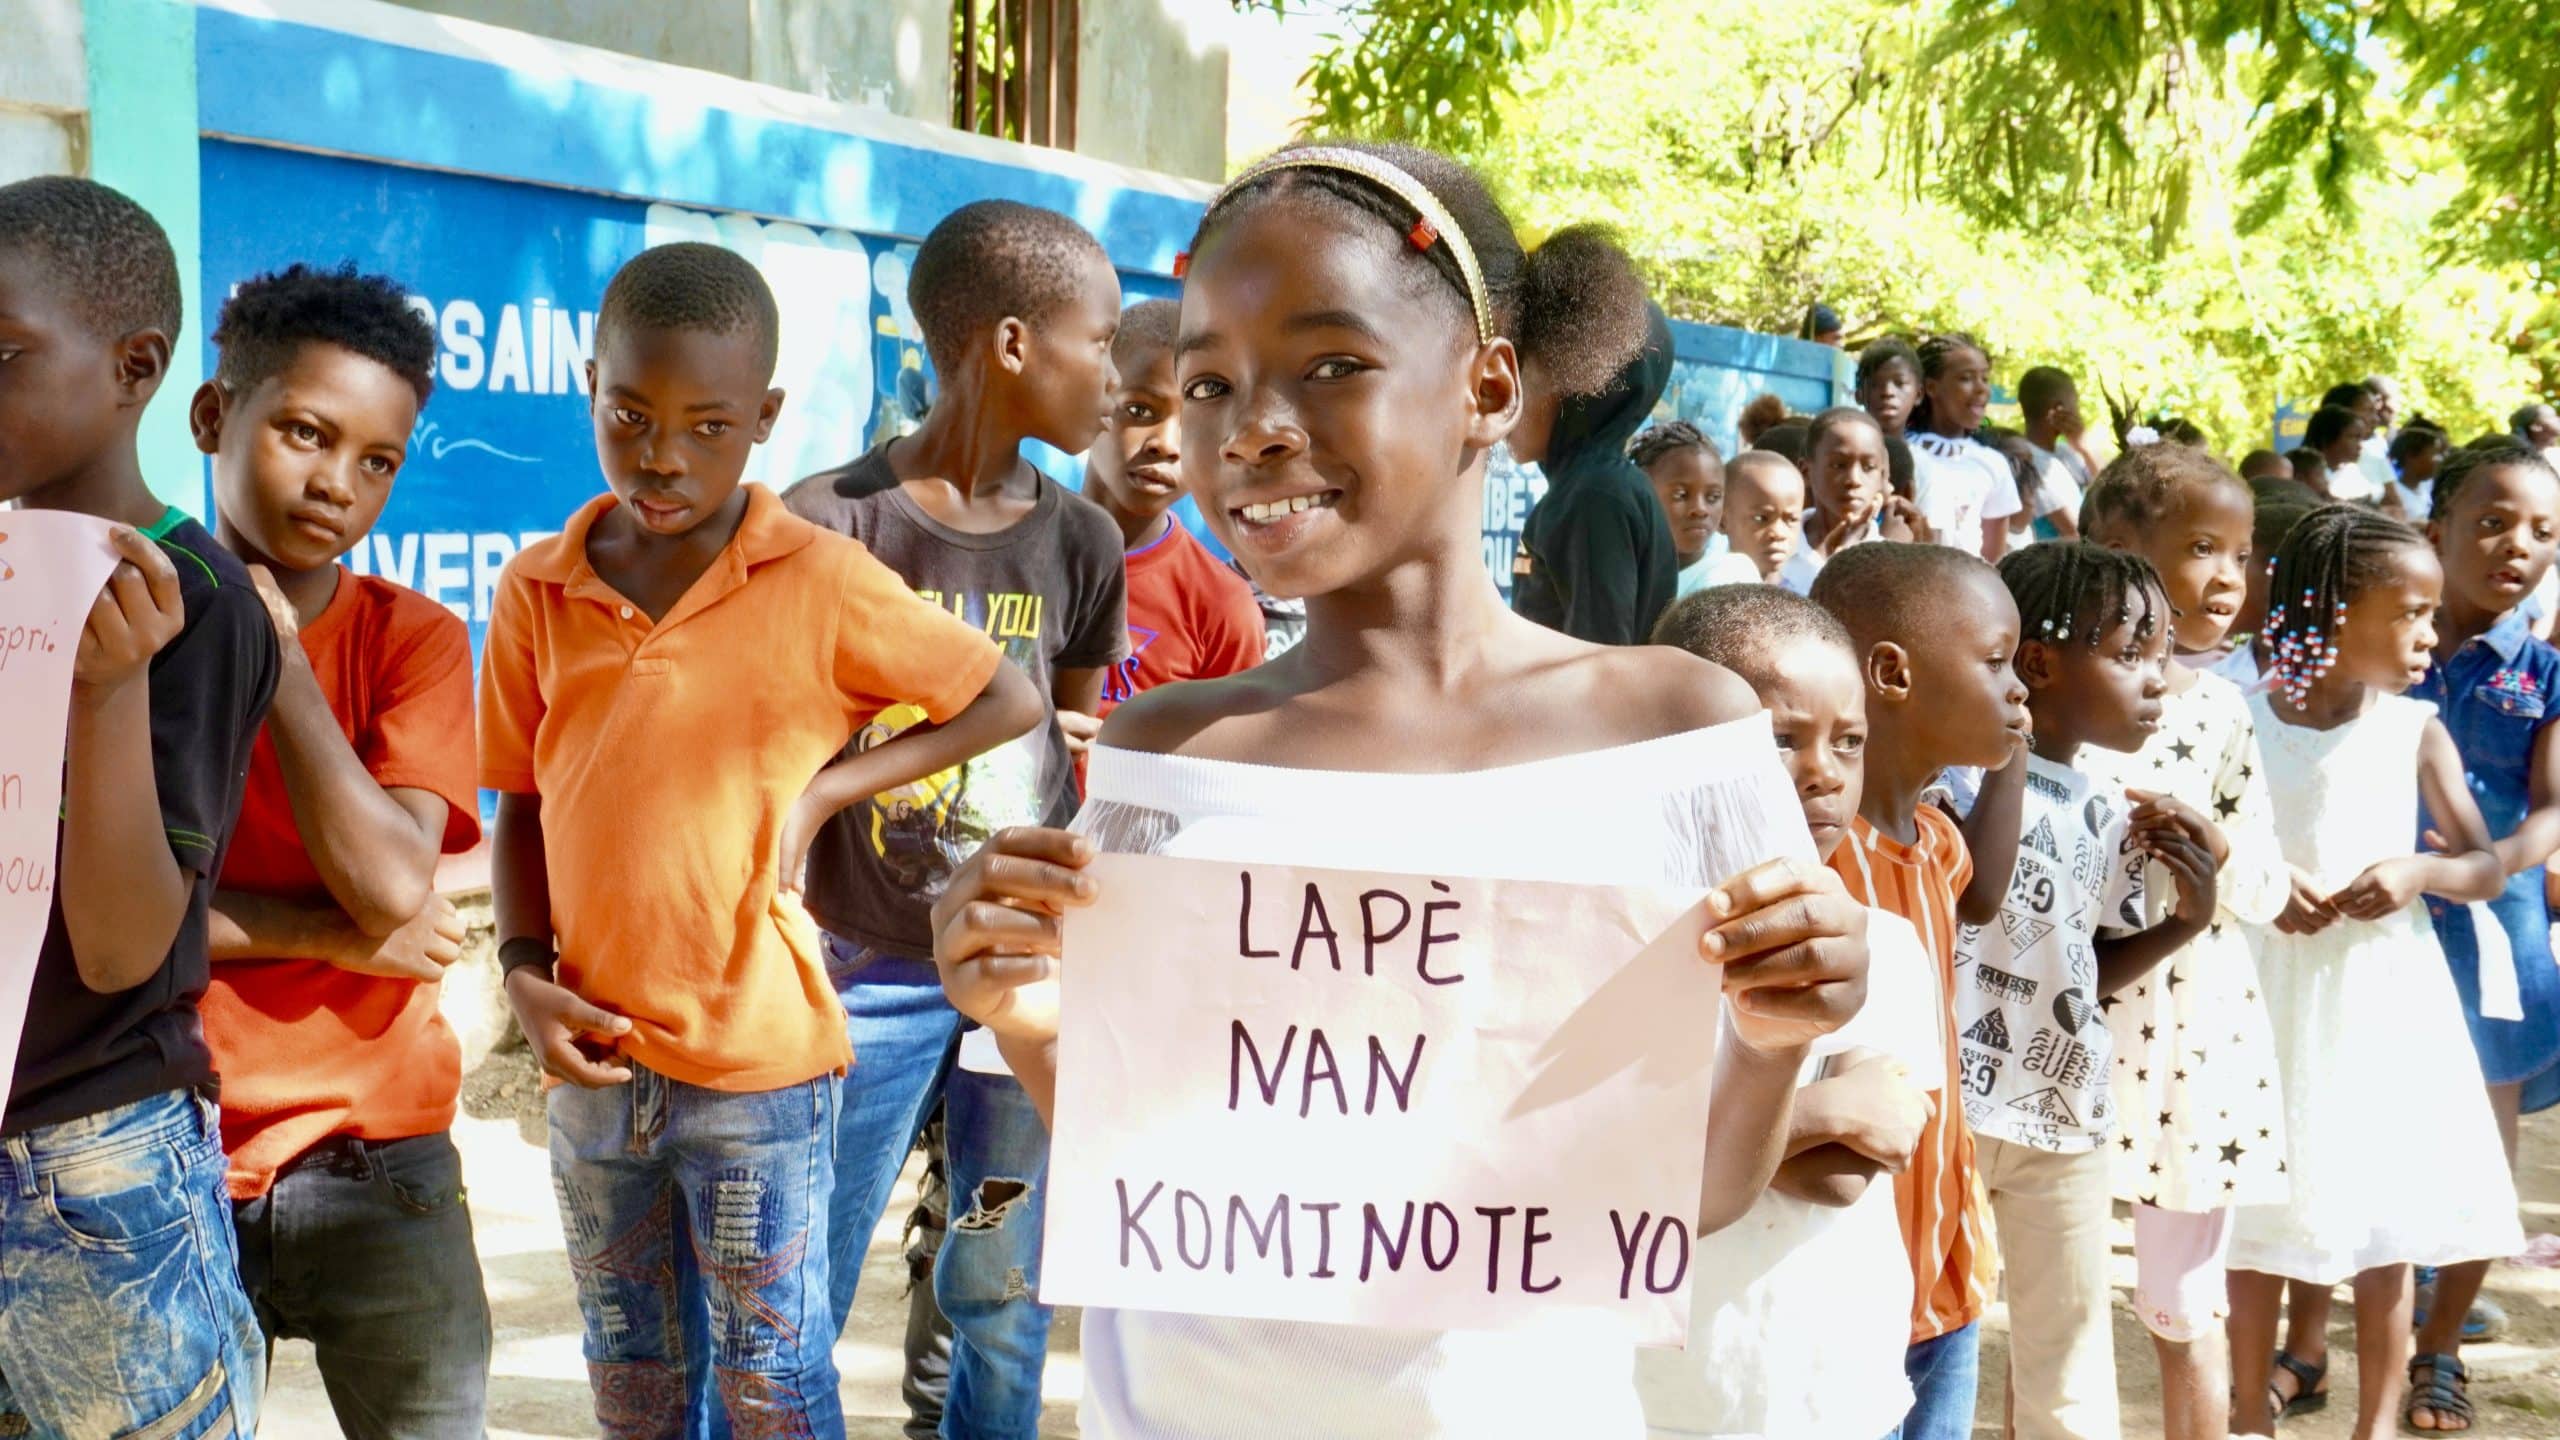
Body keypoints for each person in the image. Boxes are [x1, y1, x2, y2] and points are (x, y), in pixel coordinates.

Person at [926, 138, 1873, 1439]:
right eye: (1210, 382)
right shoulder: (1170, 751)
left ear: (1487, 386)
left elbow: (1692, 1188)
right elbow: (1141, 1147)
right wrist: (1024, 1013)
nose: (1254, 426)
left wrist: (1772, 1042)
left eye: (1331, 365)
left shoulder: (1675, 734)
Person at [480, 241, 1044, 1440]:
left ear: (767, 419)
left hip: (759, 1068)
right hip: (594, 1056)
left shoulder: (823, 581)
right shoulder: (539, 588)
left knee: (771, 1382)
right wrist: (522, 971)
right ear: (590, 386)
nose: (662, 456)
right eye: (628, 415)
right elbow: (521, 798)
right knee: (629, 1380)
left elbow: (1006, 697)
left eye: (707, 425)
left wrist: (828, 793)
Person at [781, 199, 1130, 1437]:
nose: (1118, 374)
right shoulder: (830, 522)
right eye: (1101, 342)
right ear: (1017, 344)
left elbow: (1067, 751)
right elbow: (778, 743)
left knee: (997, 1272)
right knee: (797, 1277)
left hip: (1022, 987)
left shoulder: (1083, 540)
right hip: (858, 973)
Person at [192, 264, 490, 1437]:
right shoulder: (126, 631)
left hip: (384, 1157)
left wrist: (281, 661)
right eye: (306, 434)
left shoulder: (411, 640)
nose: (336, 486)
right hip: (174, 1150)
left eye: (378, 461)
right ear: (217, 417)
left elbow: (391, 882)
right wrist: (331, 935)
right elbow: (95, 922)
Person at [0, 175, 276, 1440]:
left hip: (90, 1167)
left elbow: (120, 952)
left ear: (135, 366)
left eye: (3, 356)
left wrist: (101, 698)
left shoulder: (191, 602)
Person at [2225, 505, 2523, 1440]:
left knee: (2385, 1224)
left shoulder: (2414, 730)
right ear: (2333, 610)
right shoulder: (2238, 718)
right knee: (2254, 1218)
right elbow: (2210, 846)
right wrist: (2266, 882)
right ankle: (2247, 1414)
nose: (2431, 635)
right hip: (2263, 995)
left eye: (2433, 613)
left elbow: (2484, 867)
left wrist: (2420, 872)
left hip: (2381, 1002)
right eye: (2412, 613)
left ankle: (2378, 1423)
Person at [1641, 585, 1941, 1440]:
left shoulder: (1879, 945)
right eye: (1783, 739)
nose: (1825, 771)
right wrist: (1816, 1110)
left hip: (1822, 1392)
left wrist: (1667, 1145)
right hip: (1655, 1396)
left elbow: (1843, 1173)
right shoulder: (1618, 947)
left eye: (1849, 741)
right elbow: (1590, 1171)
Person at [1943, 543, 2219, 1440]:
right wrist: (2012, 740)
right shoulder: (1951, 777)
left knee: (2068, 1365)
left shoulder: (2110, 809)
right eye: (2132, 654)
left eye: (2164, 654)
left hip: (2060, 1115)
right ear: (2038, 664)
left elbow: (2083, 974)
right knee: (1924, 1336)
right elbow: (1977, 891)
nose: (2159, 683)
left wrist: (2182, 921)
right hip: (1943, 1110)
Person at [2078, 447, 2293, 1440]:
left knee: (2182, 1307)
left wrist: (2208, 843)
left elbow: (2265, 883)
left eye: (2242, 555)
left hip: (2188, 1033)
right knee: (2054, 1299)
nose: (2226, 577)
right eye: (2202, 547)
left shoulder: (2214, 709)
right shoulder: (2041, 693)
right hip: (2060, 1022)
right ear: (2116, 549)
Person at [1810, 541, 2033, 1440]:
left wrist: (2013, 740)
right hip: (1852, 1273)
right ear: (1893, 673)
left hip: (1945, 1262)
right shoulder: (1824, 859)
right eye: (1996, 663)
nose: (2018, 687)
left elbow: (1983, 891)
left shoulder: (1935, 840)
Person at [2403, 440, 2560, 1432]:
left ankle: (2439, 1349)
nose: (2517, 545)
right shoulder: (2381, 646)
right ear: (2436, 532)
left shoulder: (2542, 671)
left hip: (2497, 934)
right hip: (2376, 920)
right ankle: (2320, 1333)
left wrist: (2495, 867)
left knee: (2476, 1149)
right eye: (2492, 520)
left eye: (2543, 532)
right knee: (2362, 1125)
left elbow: (2552, 807)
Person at [1076, 297, 1264, 728]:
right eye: (1140, 410)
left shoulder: (1222, 608)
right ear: (1091, 400)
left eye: (1194, 424)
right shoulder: (1008, 554)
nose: (1167, 444)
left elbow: (1224, 773)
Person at [1508, 283, 1676, 646]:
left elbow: (1599, 658)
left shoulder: (1593, 496)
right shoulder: (1593, 487)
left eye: (1519, 371)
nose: (1505, 391)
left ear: (1577, 389)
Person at [1905, 333, 2022, 559]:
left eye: (1985, 379)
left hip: (1967, 590)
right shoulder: (1904, 452)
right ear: (1931, 387)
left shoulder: (1992, 463)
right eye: (1966, 378)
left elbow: (1993, 562)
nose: (1981, 390)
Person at [1788, 404, 1926, 594]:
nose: (1854, 480)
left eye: (1868, 467)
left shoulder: (1894, 557)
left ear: (1883, 477)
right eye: (1838, 465)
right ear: (1805, 472)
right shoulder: (1779, 545)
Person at [1630, 419, 1732, 598]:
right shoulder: (1623, 575)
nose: (1700, 509)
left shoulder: (1728, 578)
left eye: (1713, 497)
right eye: (1681, 495)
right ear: (1642, 494)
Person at [1718, 449, 1807, 586]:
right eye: (1761, 518)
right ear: (1722, 521)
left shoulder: (1805, 587)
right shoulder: (1713, 591)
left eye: (1791, 519)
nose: (1778, 533)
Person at [2018, 364, 2094, 497]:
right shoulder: (2034, 463)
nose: (2078, 410)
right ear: (2058, 409)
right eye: (2075, 402)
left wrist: (2086, 449)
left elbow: (2114, 488)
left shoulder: (2067, 451)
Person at [1858, 337, 1923, 442]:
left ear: (1918, 394)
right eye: (1875, 384)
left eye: (1900, 383)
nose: (1887, 392)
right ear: (1859, 394)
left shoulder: (1925, 458)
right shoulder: (1841, 454)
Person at [2303, 404, 2371, 502]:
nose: (2360, 446)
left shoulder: (2351, 473)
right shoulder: (2306, 474)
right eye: (2354, 437)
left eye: (2361, 438)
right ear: (2326, 438)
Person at [2388, 422, 2449, 521]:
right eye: (2434, 454)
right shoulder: (2393, 495)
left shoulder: (2430, 488)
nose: (2439, 459)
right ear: (2411, 456)